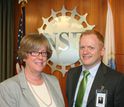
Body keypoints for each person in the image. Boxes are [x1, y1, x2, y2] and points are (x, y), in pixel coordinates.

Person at [0, 33, 65, 107]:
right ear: (24, 56)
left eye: (43, 53)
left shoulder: (53, 81)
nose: (40, 57)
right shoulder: (8, 88)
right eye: (34, 52)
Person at [66, 30, 124, 107]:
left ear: (102, 51)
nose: (85, 52)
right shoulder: (71, 74)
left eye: (91, 48)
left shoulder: (117, 80)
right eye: (82, 47)